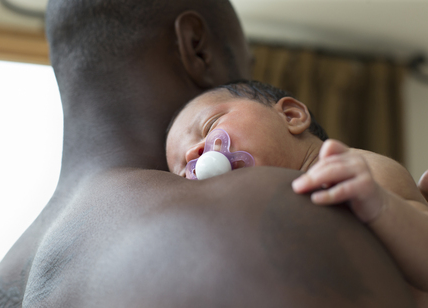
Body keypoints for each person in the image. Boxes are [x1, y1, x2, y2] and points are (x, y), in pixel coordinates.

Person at [0, 1, 417, 307]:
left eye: (210, 127)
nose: (198, 159)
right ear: (198, 48)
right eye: (244, 63)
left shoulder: (1, 287)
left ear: (292, 114)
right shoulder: (269, 206)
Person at [166, 80, 428, 301]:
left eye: (210, 125)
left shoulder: (359, 173)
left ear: (291, 116)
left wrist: (381, 205)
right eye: (182, 171)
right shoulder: (253, 218)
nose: (193, 154)